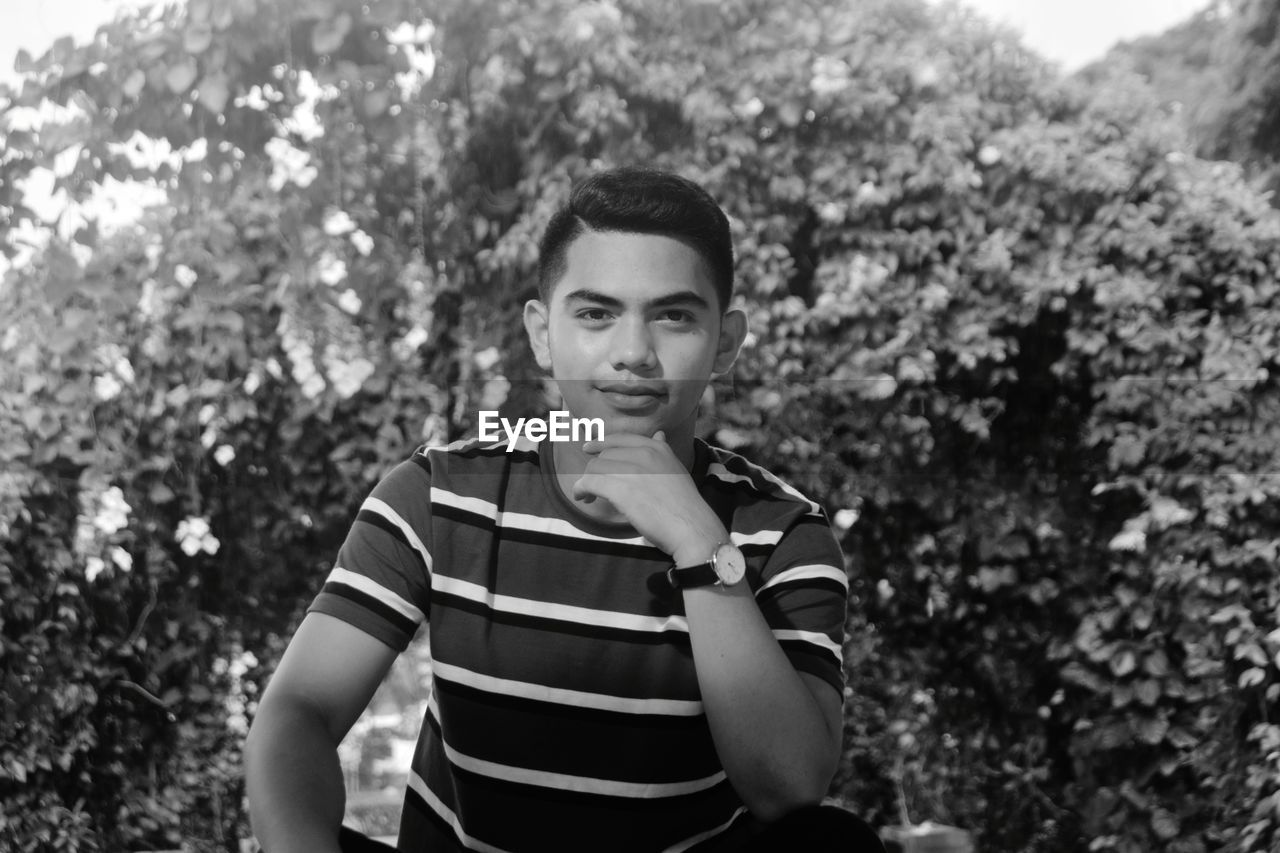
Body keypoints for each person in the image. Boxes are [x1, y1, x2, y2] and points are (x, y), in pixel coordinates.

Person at [245, 167, 885, 853]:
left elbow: (789, 788)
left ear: (724, 342)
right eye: (595, 313)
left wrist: (701, 543)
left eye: (673, 315)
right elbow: (297, 712)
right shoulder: (442, 488)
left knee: (834, 843)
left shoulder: (782, 530)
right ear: (543, 333)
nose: (634, 354)